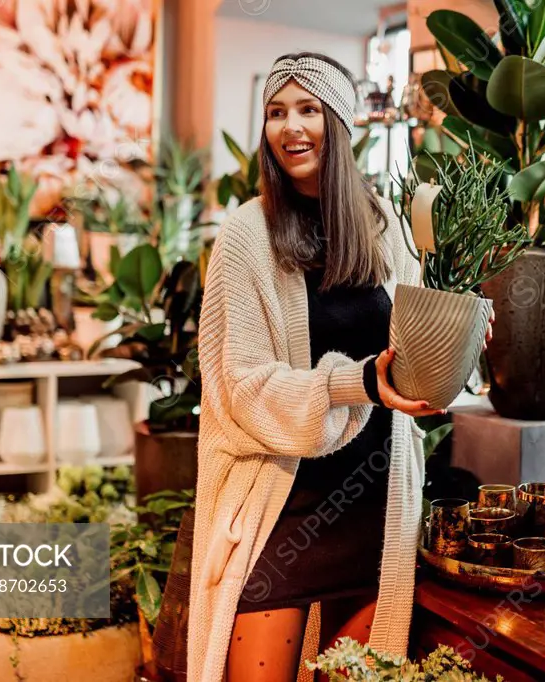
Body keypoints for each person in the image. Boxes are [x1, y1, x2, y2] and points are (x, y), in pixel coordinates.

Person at [188, 52, 491, 682]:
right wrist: (352, 382)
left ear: (340, 122)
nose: (290, 127)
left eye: (308, 109)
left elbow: (409, 352)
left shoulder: (384, 227)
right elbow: (239, 386)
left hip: (372, 506)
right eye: (276, 113)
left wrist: (459, 338)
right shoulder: (247, 234)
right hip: (281, 505)